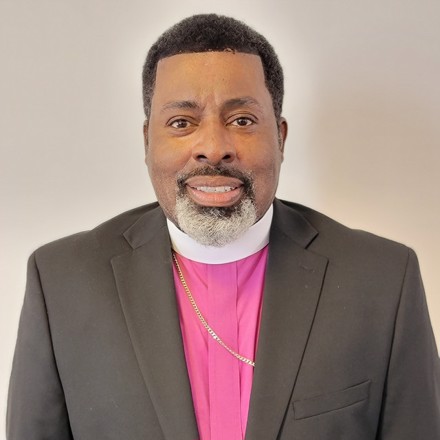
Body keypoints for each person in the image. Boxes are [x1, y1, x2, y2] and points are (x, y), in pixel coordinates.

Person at [7, 13, 440, 440]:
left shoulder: (382, 280)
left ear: (281, 138)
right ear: (147, 142)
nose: (213, 148)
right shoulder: (61, 283)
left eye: (242, 120)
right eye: (182, 123)